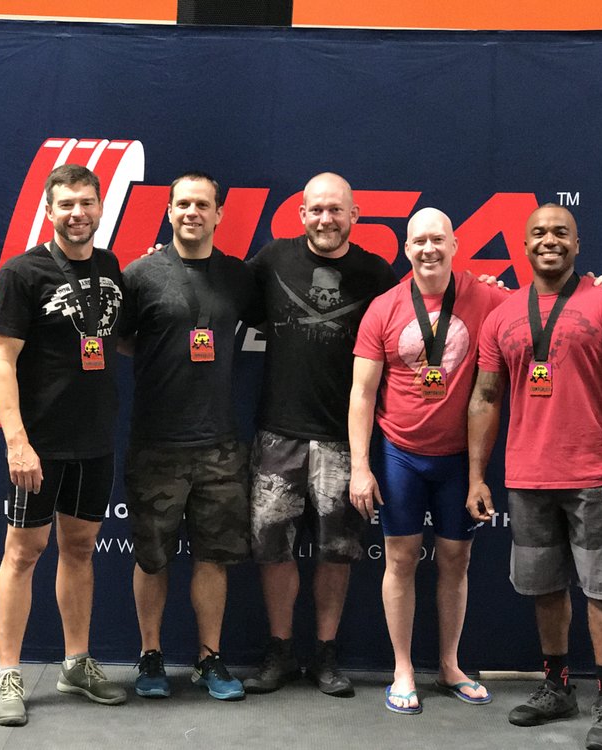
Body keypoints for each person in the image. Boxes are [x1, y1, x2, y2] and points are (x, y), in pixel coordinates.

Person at [466, 204, 602, 750]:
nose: (549, 240)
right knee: (545, 589)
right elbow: (485, 396)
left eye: (560, 232)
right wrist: (477, 475)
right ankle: (557, 687)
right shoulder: (503, 315)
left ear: (577, 243)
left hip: (597, 476)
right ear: (524, 245)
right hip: (528, 476)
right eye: (539, 233)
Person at [348, 207, 510, 714]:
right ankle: (402, 669)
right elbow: (362, 393)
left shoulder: (487, 298)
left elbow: (542, 310)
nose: (428, 249)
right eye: (419, 241)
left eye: (438, 239)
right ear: (406, 249)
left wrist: (599, 288)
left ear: (455, 245)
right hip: (400, 454)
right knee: (400, 560)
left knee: (456, 561)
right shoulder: (385, 308)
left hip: (459, 459)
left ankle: (449, 665)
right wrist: (360, 466)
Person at [244, 172, 396, 696]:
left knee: (337, 552)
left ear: (354, 215)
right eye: (316, 210)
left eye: (336, 210)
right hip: (277, 434)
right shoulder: (272, 260)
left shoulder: (376, 274)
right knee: (273, 550)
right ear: (302, 214)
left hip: (342, 437)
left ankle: (327, 655)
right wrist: (164, 261)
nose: (325, 219)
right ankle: (281, 651)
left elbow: (422, 314)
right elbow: (214, 294)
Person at [0, 164, 127, 726]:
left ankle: (76, 662)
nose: (78, 213)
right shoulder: (22, 272)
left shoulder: (111, 267)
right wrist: (17, 443)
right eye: (66, 204)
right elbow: (1, 360)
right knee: (23, 554)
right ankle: (8, 675)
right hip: (39, 445)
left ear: (100, 207)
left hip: (95, 440)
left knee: (80, 550)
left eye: (86, 202)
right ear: (49, 211)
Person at [124, 171, 261, 702]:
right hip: (156, 442)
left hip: (220, 444)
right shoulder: (140, 274)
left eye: (202, 204)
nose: (192, 213)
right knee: (151, 558)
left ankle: (209, 658)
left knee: (213, 557)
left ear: (219, 213)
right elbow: (120, 339)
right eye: (182, 204)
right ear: (169, 211)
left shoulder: (238, 276)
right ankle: (150, 655)